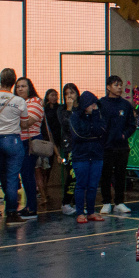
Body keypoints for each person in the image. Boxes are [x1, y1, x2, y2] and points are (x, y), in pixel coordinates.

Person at [97, 76, 136, 214]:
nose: (119, 87)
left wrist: (124, 134)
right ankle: (106, 202)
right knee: (106, 175)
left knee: (120, 175)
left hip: (122, 147)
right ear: (108, 87)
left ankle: (119, 202)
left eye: (121, 85)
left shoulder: (125, 105)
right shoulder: (101, 104)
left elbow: (132, 125)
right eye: (116, 85)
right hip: (106, 147)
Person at [69, 92, 107, 224]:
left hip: (96, 155)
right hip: (81, 156)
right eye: (91, 104)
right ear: (85, 105)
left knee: (93, 186)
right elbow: (78, 135)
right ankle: (80, 212)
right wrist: (94, 135)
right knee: (81, 185)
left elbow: (101, 131)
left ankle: (91, 211)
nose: (94, 106)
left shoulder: (98, 115)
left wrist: (95, 117)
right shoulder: (75, 117)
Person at [0, 68, 29, 225]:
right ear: (14, 82)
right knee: (12, 178)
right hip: (12, 140)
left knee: (2, 176)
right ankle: (11, 213)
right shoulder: (19, 101)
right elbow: (24, 124)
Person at [15, 77, 42, 217]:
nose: (20, 89)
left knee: (27, 174)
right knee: (25, 176)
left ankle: (32, 209)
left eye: (23, 86)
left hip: (31, 142)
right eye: (18, 86)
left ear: (29, 88)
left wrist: (11, 117)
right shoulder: (17, 102)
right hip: (20, 142)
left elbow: (27, 122)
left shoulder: (35, 102)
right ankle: (29, 206)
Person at [58, 83, 79, 215]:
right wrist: (70, 109)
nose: (69, 96)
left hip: (81, 147)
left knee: (80, 176)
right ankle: (66, 202)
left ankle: (78, 203)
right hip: (68, 147)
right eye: (66, 93)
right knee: (72, 175)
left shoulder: (81, 109)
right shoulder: (62, 110)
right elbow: (67, 125)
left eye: (72, 92)